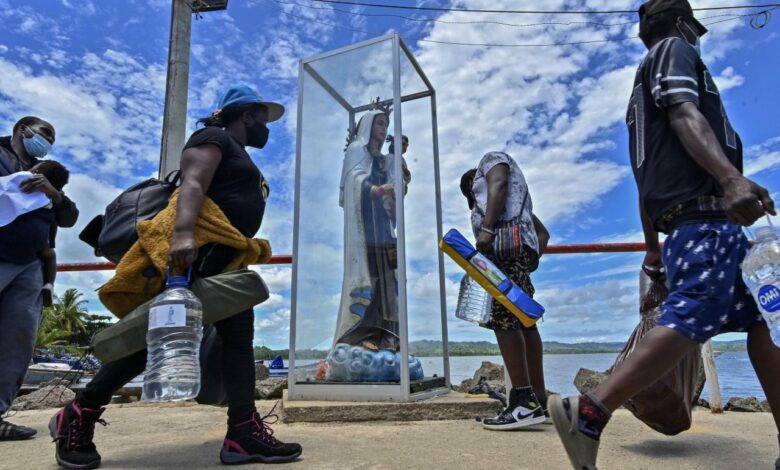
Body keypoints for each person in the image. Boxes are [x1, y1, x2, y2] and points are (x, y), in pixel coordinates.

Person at [549, 2, 779, 468]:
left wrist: (653, 251)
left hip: (698, 226)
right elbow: (683, 110)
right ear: (680, 25)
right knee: (696, 309)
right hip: (704, 222)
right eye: (694, 30)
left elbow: (644, 182)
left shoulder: (640, 96)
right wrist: (732, 181)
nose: (696, 38)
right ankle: (590, 412)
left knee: (764, 321)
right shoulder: (674, 51)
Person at [49, 84, 302, 469]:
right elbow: (193, 183)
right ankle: (78, 414)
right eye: (264, 120)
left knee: (238, 340)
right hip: (196, 256)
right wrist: (182, 234)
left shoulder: (237, 153)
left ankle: (243, 433)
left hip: (225, 259)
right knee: (151, 342)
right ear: (246, 115)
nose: (268, 129)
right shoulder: (211, 137)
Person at [459, 151, 550, 430]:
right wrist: (529, 260)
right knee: (525, 322)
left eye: (473, 191)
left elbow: (498, 181)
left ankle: (523, 401)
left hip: (504, 257)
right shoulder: (518, 206)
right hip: (517, 258)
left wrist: (486, 231)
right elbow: (542, 234)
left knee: (504, 319)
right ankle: (539, 401)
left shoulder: (491, 161)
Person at [0, 117, 78, 441]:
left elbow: (70, 217)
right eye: (44, 133)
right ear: (23, 130)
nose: (46, 140)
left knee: (17, 341)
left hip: (31, 265)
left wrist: (54, 194)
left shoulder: (50, 174)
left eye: (52, 138)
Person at [334, 106, 402, 354]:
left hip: (383, 229)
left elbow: (395, 185)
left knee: (388, 282)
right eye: (380, 123)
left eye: (386, 125)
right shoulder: (356, 151)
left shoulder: (381, 159)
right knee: (371, 279)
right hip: (366, 232)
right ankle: (361, 334)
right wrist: (375, 189)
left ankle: (389, 336)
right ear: (369, 125)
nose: (384, 130)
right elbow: (353, 180)